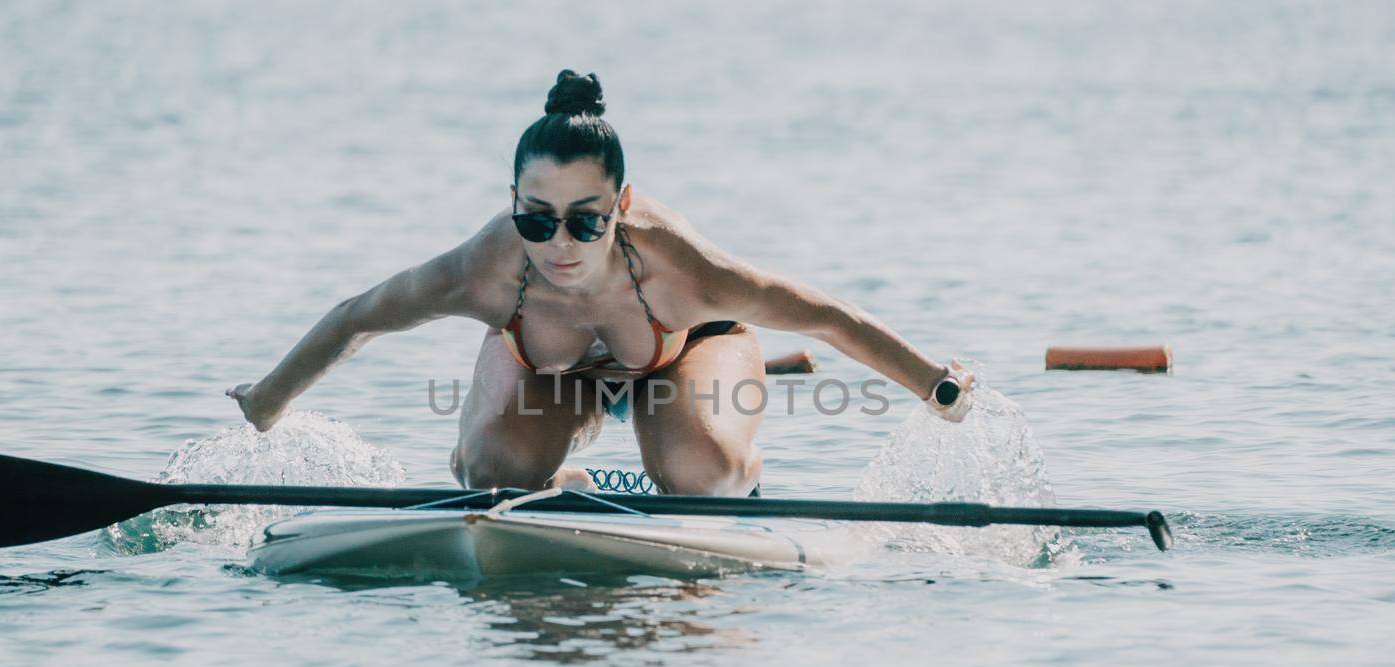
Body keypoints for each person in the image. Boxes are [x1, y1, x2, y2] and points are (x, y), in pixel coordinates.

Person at [228, 70, 973, 497]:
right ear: (512, 200)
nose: (559, 244)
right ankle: (562, 481)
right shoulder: (483, 270)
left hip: (679, 355)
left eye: (585, 222)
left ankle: (736, 468)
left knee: (696, 473)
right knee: (492, 474)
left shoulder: (685, 271)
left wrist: (936, 387)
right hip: (554, 369)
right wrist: (268, 401)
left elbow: (826, 319)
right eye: (536, 218)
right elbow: (360, 316)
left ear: (620, 208)